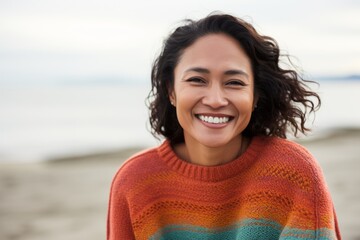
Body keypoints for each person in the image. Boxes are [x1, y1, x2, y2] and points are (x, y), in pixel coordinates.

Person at [107, 13, 341, 239]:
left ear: (255, 96)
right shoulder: (134, 182)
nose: (216, 100)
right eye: (197, 80)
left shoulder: (296, 173)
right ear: (171, 91)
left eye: (234, 82)